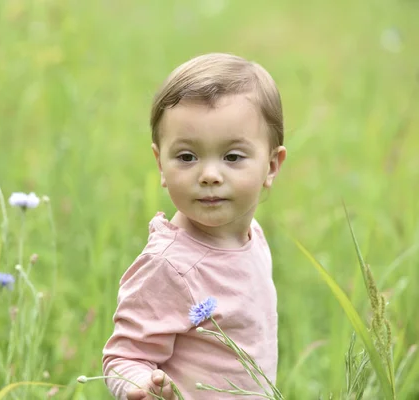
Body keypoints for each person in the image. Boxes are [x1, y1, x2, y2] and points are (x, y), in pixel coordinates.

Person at [101, 53, 287, 400]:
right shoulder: (171, 265)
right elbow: (124, 356)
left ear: (272, 165)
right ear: (160, 163)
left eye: (232, 157)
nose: (210, 176)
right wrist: (141, 387)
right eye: (187, 157)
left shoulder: (253, 236)